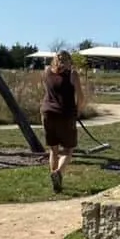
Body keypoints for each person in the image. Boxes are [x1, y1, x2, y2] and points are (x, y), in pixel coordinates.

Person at [40, 50, 84, 192]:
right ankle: (58, 172)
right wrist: (78, 110)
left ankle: (54, 179)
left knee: (53, 149)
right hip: (65, 114)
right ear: (69, 61)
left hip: (47, 112)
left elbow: (48, 90)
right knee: (68, 149)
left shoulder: (47, 71)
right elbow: (81, 97)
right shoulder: (72, 74)